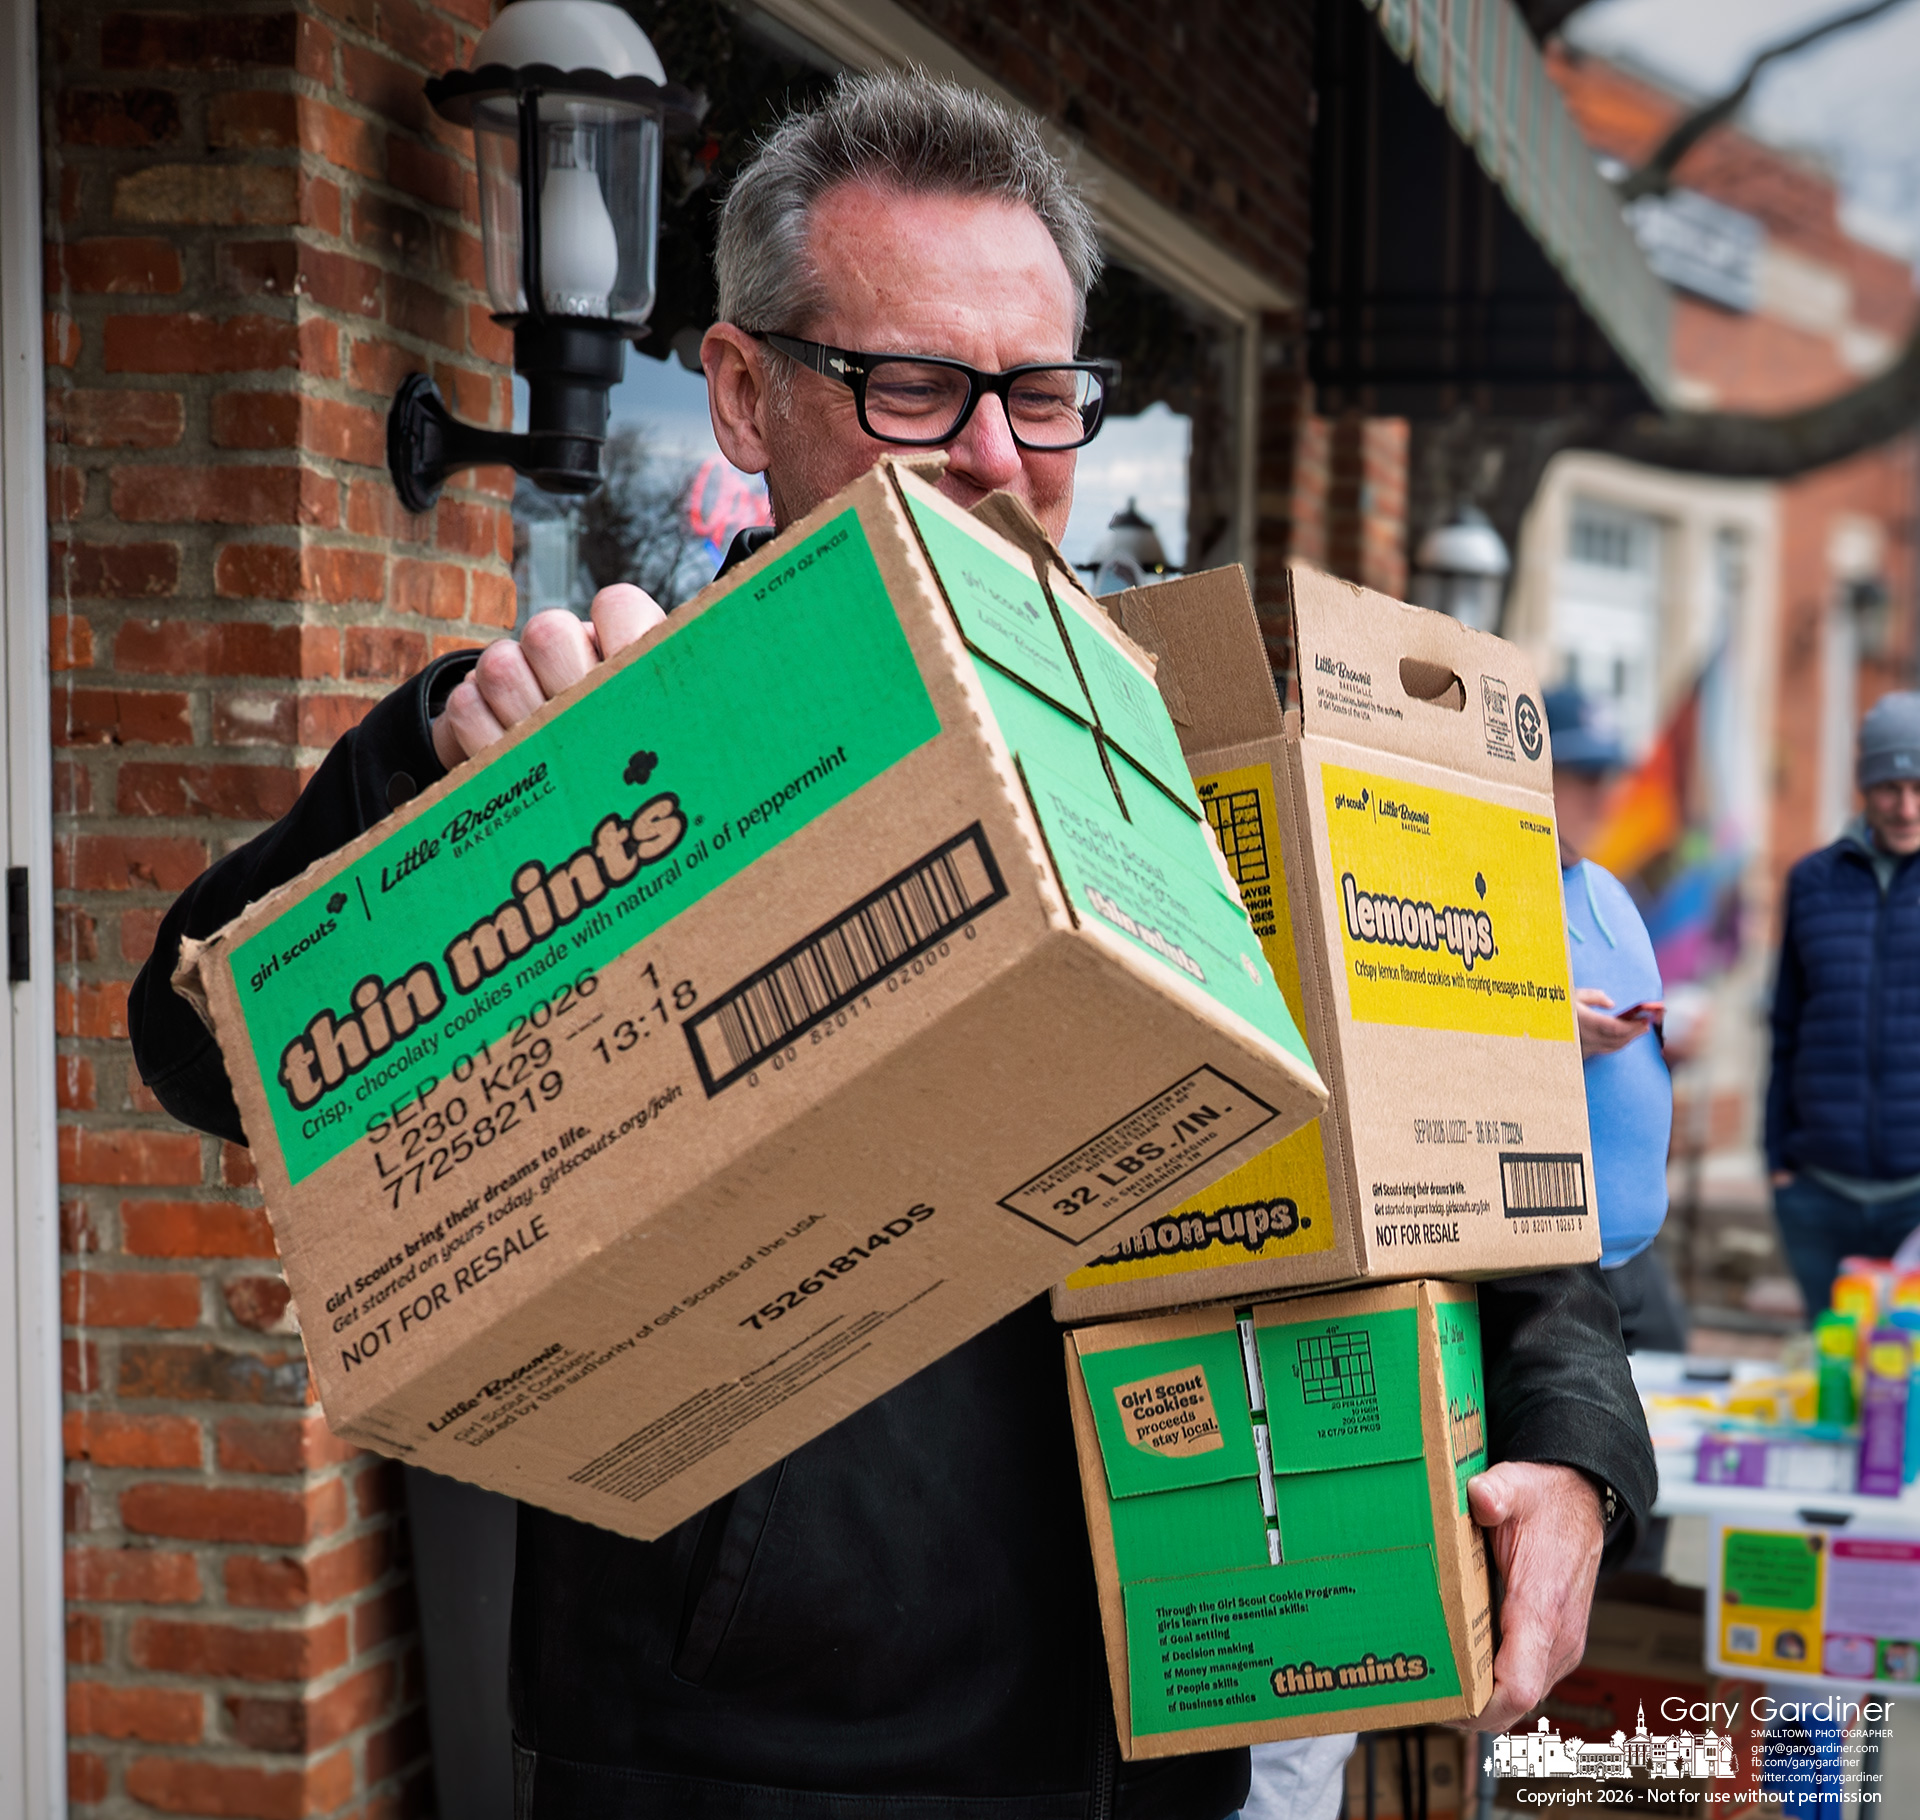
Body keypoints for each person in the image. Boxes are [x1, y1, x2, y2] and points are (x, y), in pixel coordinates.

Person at [130, 73, 1654, 1820]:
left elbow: (1489, 1189)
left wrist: (1574, 1455)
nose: (998, 453)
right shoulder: (596, 750)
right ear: (742, 390)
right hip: (741, 1759)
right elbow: (200, 1051)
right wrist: (428, 786)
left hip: (1164, 1728)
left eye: (1042, 393)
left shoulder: (1205, 761)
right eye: (916, 385)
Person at [1767, 690, 1920, 1318]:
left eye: (1918, 785)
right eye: (1889, 786)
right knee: (1830, 1384)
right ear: (1863, 784)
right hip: (1817, 1196)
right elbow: (1784, 1027)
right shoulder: (1811, 883)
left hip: (1916, 1199)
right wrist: (1779, 1162)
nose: (1906, 807)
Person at [1546, 688, 1684, 1353]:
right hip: (1559, 1268)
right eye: (1584, 778)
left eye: (1610, 778)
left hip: (1641, 1254)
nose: (1606, 798)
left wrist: (1672, 1035)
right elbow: (1452, 1041)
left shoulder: (1611, 891)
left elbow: (1641, 1027)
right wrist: (1555, 1033)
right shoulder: (1494, 884)